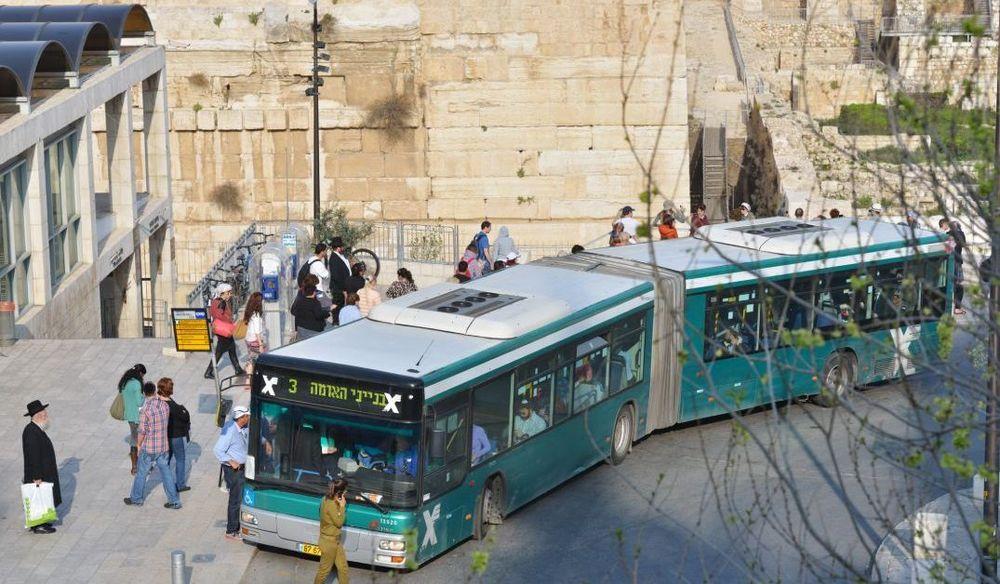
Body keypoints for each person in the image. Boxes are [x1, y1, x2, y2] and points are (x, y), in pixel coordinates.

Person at [124, 380, 181, 509]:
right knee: (166, 473)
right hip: (163, 446)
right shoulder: (165, 406)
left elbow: (142, 431)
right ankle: (174, 500)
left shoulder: (145, 410)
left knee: (141, 474)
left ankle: (136, 498)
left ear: (144, 393)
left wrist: (138, 446)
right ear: (155, 391)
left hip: (149, 448)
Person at [22, 400, 60, 534]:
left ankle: (43, 520)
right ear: (38, 415)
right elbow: (33, 456)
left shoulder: (36, 429)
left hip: (43, 472)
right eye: (44, 413)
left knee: (43, 497)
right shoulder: (32, 432)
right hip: (38, 474)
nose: (46, 415)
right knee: (38, 498)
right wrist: (36, 476)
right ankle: (38, 525)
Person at [214, 405, 250, 540]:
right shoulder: (230, 431)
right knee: (235, 500)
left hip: (243, 468)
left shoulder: (243, 427)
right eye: (247, 416)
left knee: (240, 498)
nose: (249, 418)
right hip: (234, 471)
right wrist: (231, 461)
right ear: (242, 417)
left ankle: (237, 526)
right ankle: (231, 530)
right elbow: (217, 450)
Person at [314, 478, 350, 584]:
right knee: (324, 571)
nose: (346, 493)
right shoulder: (331, 504)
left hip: (335, 541)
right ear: (339, 492)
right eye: (345, 491)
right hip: (329, 543)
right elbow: (339, 523)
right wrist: (342, 507)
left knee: (343, 568)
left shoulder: (325, 498)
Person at [205, 283, 244, 379]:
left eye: (230, 292)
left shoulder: (216, 301)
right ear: (222, 293)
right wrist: (229, 320)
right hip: (224, 330)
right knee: (220, 351)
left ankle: (238, 369)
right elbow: (219, 315)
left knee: (232, 349)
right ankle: (209, 371)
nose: (230, 294)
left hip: (223, 330)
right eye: (228, 292)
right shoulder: (220, 302)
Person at [161, 378, 192, 494]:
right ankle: (180, 484)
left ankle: (167, 482)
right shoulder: (172, 406)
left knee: (166, 460)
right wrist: (183, 409)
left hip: (164, 436)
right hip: (176, 436)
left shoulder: (158, 402)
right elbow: (185, 417)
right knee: (180, 459)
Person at [118, 363, 146, 476]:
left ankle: (134, 467)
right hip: (138, 417)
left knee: (134, 441)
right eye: (143, 375)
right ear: (140, 373)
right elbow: (139, 402)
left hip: (129, 416)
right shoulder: (137, 384)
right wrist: (145, 395)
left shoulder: (125, 383)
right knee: (142, 441)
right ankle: (144, 465)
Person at [941, 218, 967, 315]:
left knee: (952, 285)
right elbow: (961, 244)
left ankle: (954, 307)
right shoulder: (954, 234)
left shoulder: (948, 235)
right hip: (955, 262)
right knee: (958, 286)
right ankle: (956, 307)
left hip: (949, 262)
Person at [327, 237, 352, 324]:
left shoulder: (340, 256)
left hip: (343, 287)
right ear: (338, 248)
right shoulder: (334, 259)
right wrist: (344, 290)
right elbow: (336, 277)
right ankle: (336, 324)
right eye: (342, 247)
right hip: (338, 289)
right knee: (337, 308)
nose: (343, 248)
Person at [242, 292, 267, 374]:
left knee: (251, 359)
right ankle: (249, 381)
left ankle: (248, 381)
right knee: (256, 360)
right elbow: (257, 332)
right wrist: (260, 345)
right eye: (262, 300)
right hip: (255, 341)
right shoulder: (256, 315)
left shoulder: (250, 312)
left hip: (248, 339)